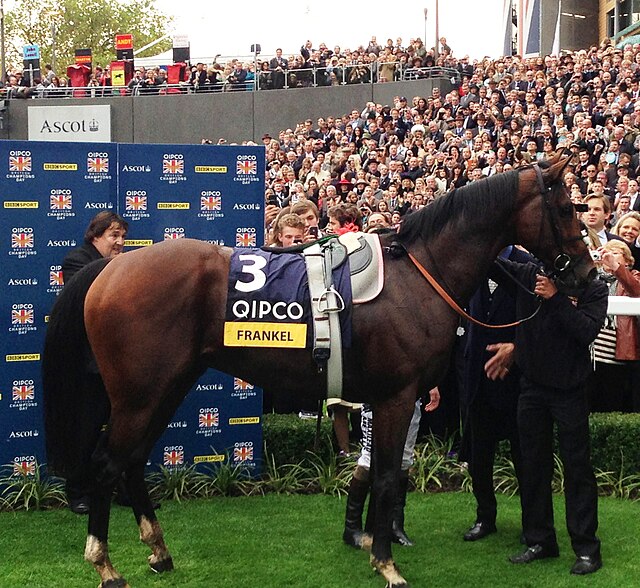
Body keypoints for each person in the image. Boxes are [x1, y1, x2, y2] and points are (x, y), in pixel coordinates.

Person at [493, 258, 607, 576]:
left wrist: (555, 298)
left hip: (570, 389)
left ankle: (586, 549)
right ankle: (540, 541)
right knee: (532, 467)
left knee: (577, 470)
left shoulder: (593, 288)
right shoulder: (529, 273)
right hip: (531, 389)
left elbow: (585, 332)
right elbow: (493, 265)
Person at [61, 212, 128, 514]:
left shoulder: (125, 265)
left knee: (124, 429)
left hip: (118, 362)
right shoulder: (76, 260)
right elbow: (95, 293)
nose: (120, 242)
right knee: (86, 429)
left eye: (123, 236)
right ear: (95, 236)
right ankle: (78, 492)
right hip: (87, 363)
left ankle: (125, 488)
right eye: (114, 235)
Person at [460, 247, 527, 542]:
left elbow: (538, 317)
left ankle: (533, 522)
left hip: (517, 378)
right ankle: (485, 517)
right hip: (477, 376)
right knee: (479, 456)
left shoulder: (527, 263)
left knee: (524, 456)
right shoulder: (472, 259)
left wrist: (517, 350)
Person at [343, 390, 440, 549]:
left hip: (409, 400)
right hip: (378, 400)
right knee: (368, 459)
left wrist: (432, 386)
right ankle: (351, 527)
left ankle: (395, 525)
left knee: (404, 459)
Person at [588, 240, 640, 412]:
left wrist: (618, 269)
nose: (609, 255)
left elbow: (636, 291)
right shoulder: (591, 277)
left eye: (616, 252)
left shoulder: (635, 276)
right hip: (589, 352)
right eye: (606, 251)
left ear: (628, 261)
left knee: (611, 403)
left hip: (616, 352)